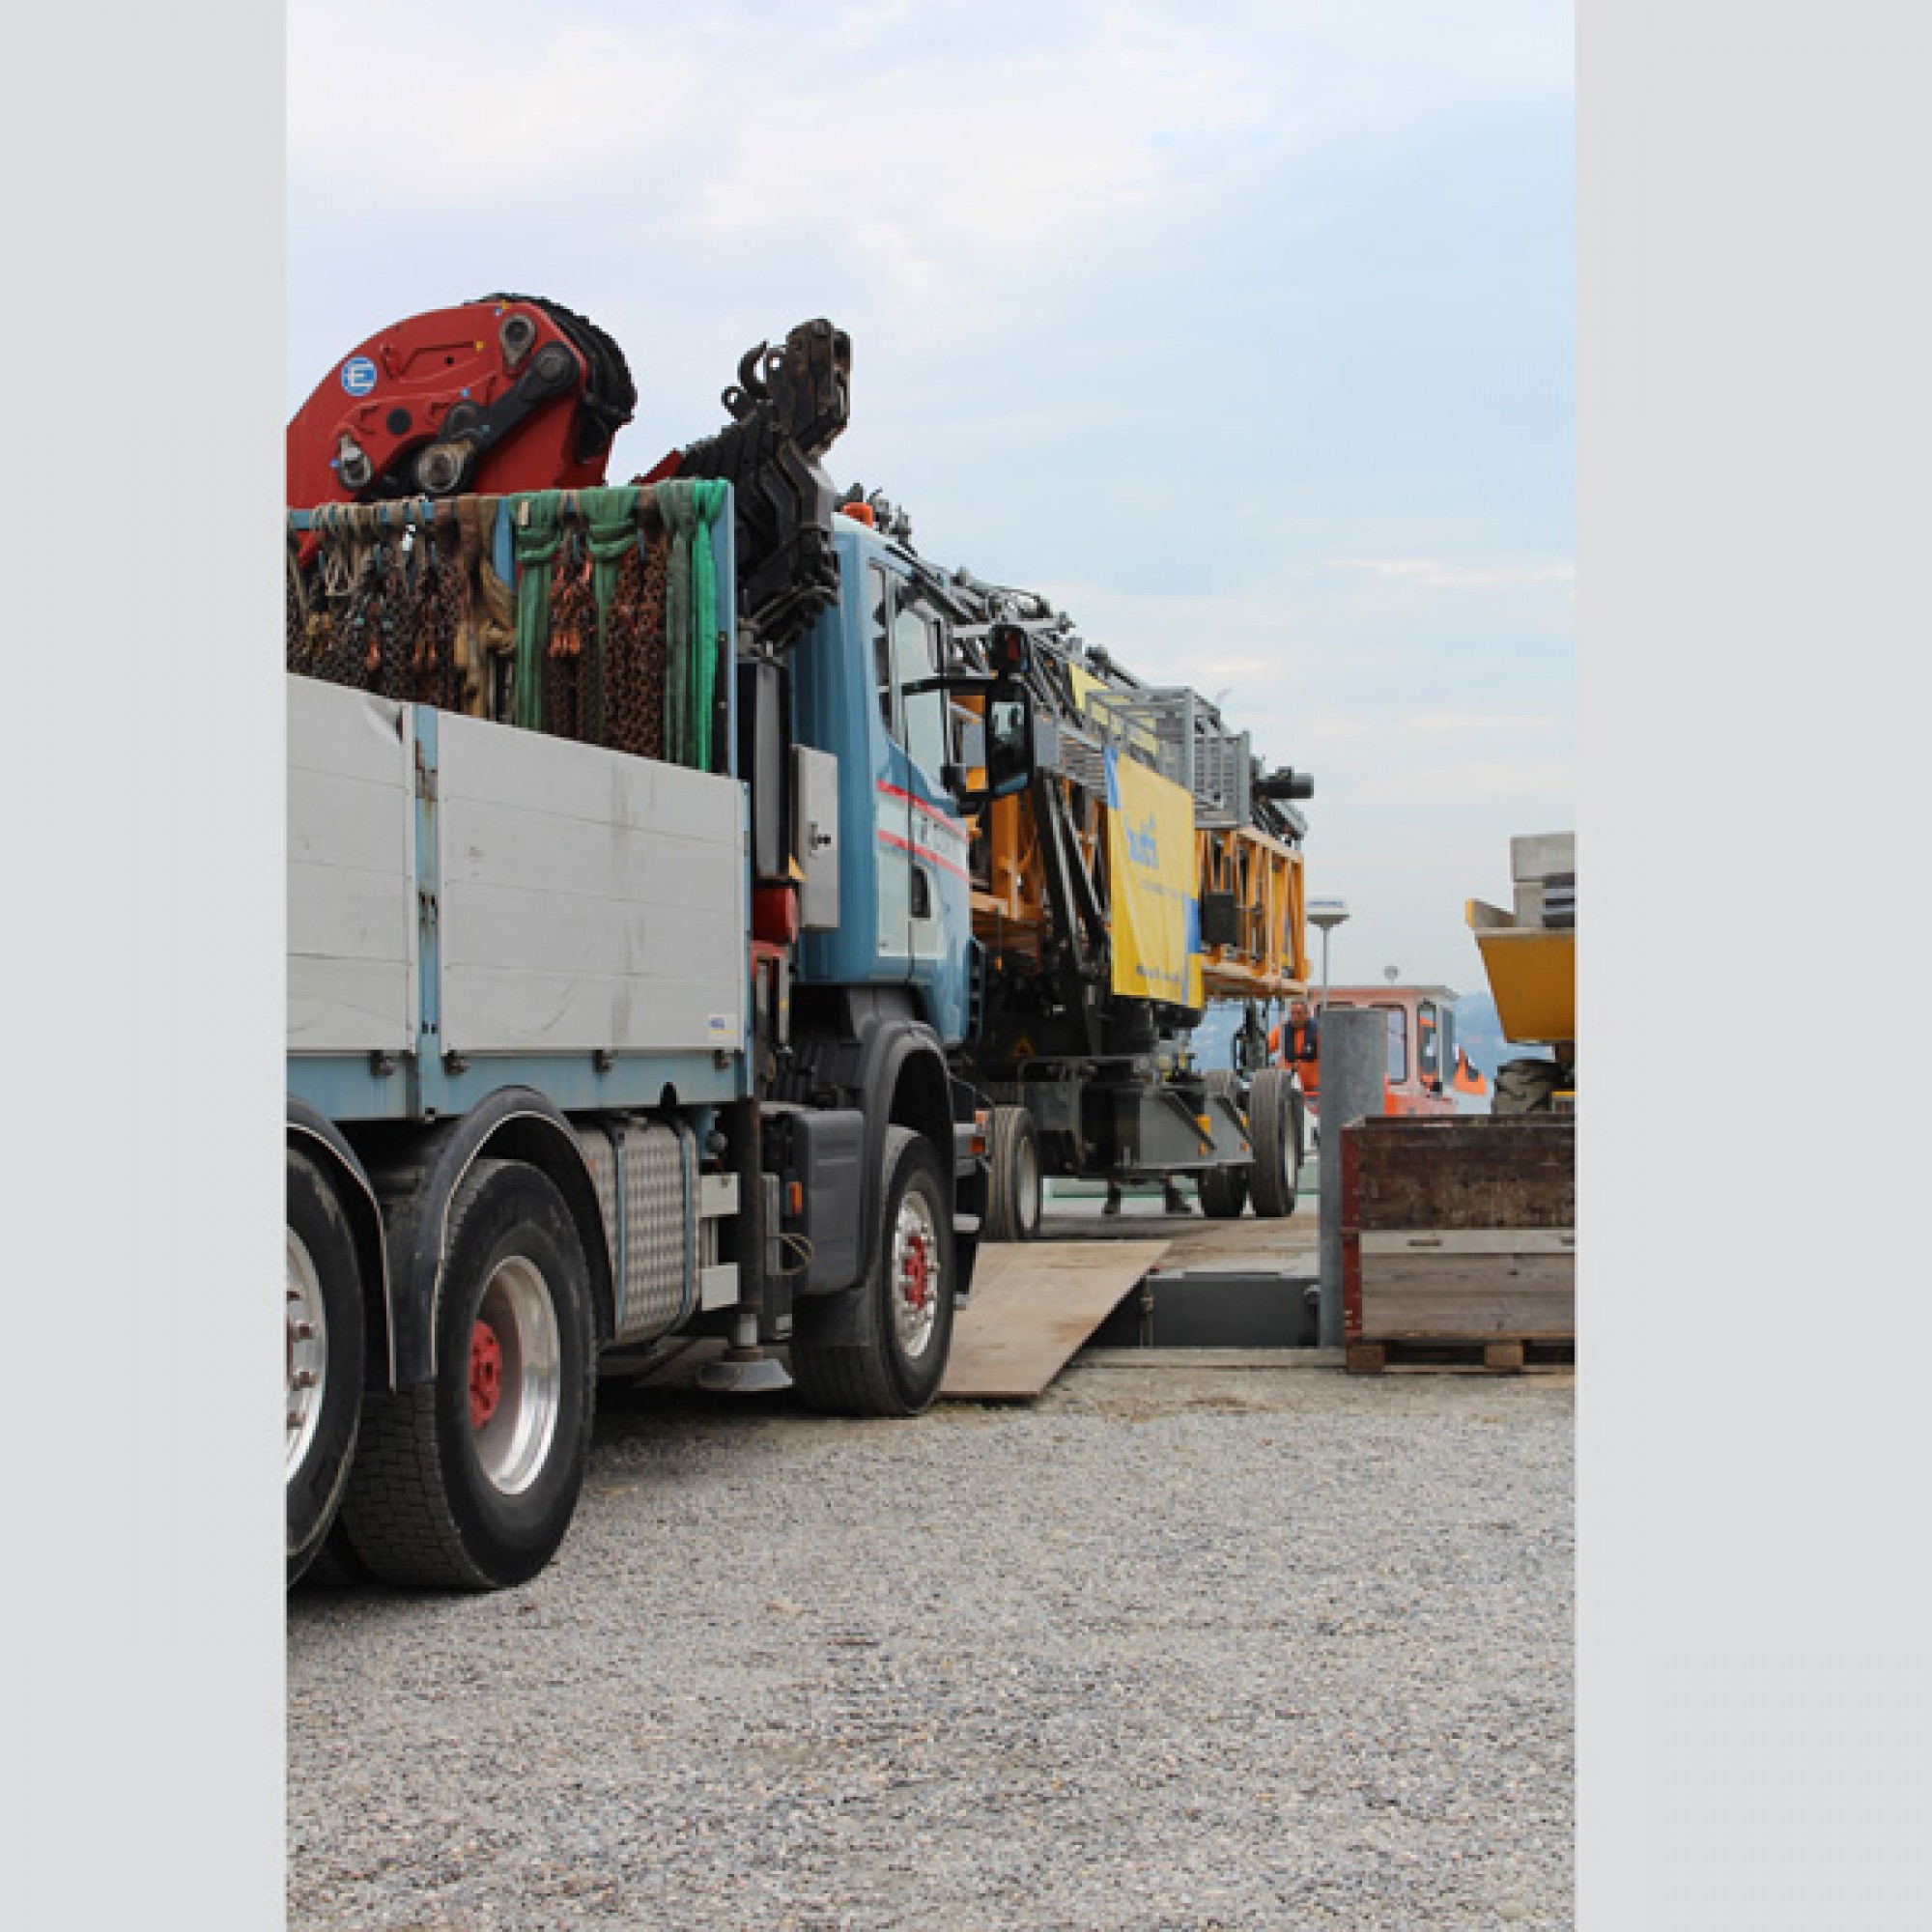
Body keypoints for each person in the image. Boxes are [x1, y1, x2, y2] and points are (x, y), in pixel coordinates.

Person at [1279, 997, 1320, 1097]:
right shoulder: (1282, 1030)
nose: (1295, 1017)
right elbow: (1266, 1047)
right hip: (1288, 1086)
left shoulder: (1318, 1031)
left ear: (1307, 1014)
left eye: (1299, 1013)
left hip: (1313, 1089)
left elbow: (1328, 1057)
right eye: (1292, 1013)